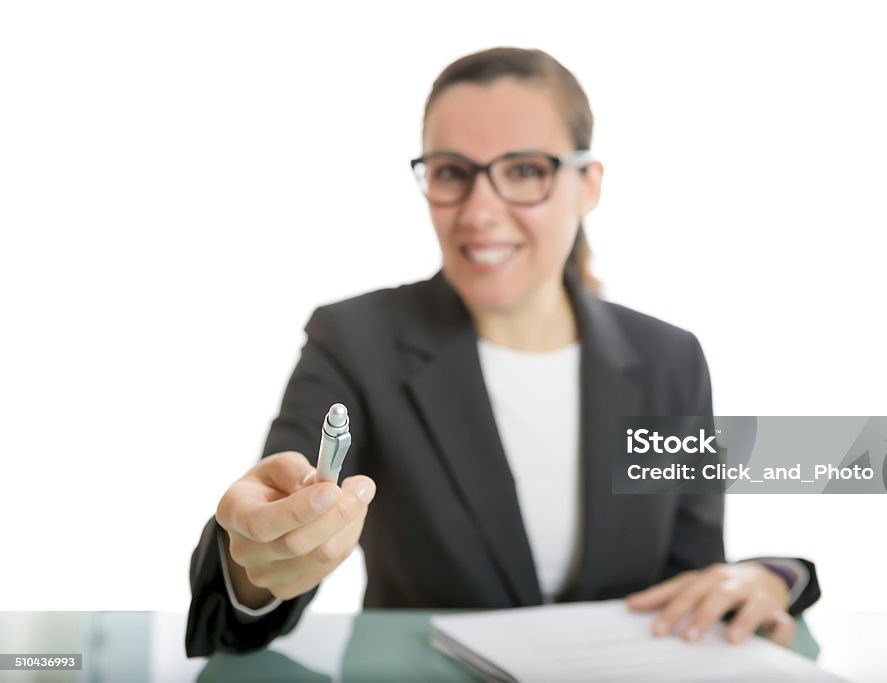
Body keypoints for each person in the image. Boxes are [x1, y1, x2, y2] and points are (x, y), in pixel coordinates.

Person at [185, 46, 820, 658]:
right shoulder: (356, 340)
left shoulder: (670, 360)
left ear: (589, 184)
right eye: (453, 173)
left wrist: (769, 578)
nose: (480, 212)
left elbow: (696, 582)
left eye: (523, 171)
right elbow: (268, 518)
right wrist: (257, 563)